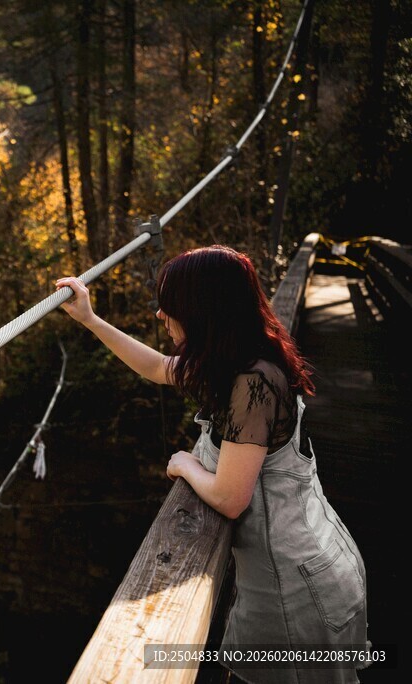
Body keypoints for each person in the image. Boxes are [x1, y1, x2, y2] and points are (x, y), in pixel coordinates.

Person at [55, 244, 370, 684]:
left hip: (295, 591)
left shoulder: (253, 382)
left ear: (203, 310)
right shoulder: (237, 358)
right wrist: (89, 319)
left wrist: (187, 465)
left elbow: (229, 498)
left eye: (171, 305)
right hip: (308, 562)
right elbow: (159, 366)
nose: (162, 316)